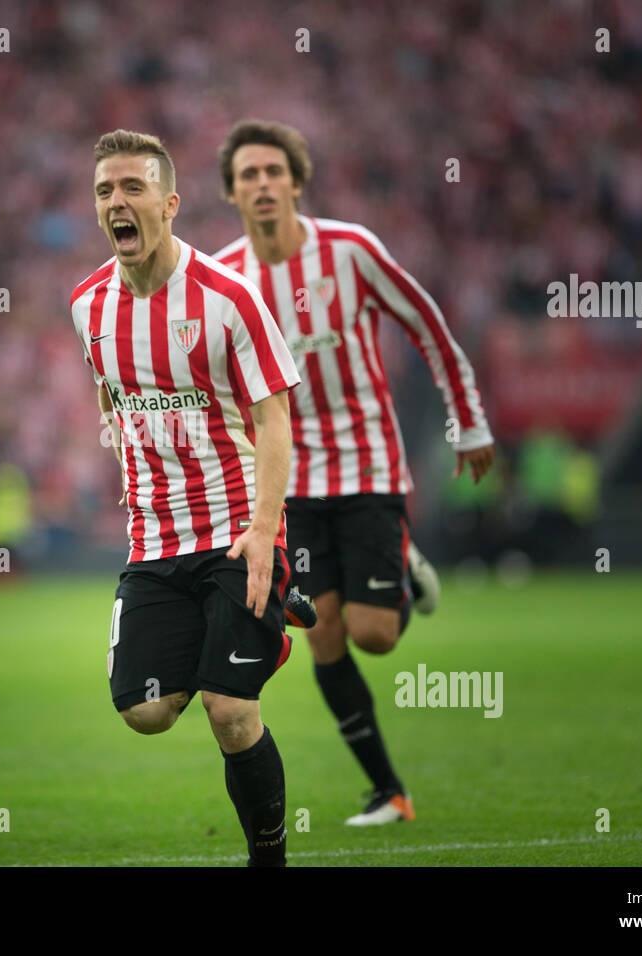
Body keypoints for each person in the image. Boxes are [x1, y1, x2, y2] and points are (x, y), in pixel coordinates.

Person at [215, 120, 495, 825]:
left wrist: (469, 418)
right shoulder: (222, 278)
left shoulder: (351, 251)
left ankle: (402, 568)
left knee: (375, 634)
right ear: (231, 193)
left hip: (368, 462)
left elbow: (426, 325)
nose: (263, 184)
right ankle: (390, 793)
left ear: (296, 181)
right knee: (325, 632)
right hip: (290, 483)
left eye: (273, 170)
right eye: (247, 174)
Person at [71, 130, 302, 866]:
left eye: (133, 188)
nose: (117, 202)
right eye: (106, 190)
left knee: (230, 711)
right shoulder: (87, 306)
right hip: (156, 541)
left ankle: (268, 854)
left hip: (238, 532)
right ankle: (261, 628)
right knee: (144, 712)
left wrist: (266, 530)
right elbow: (113, 394)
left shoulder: (229, 299)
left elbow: (274, 417)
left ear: (169, 203)